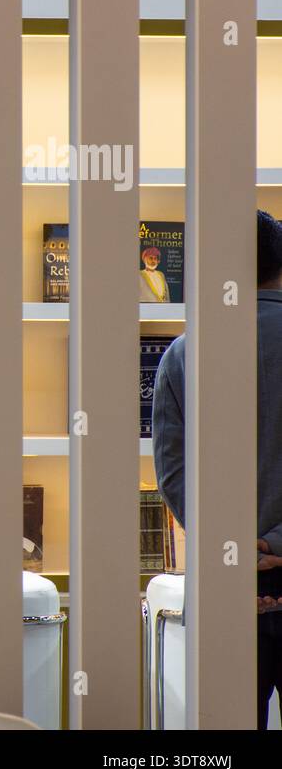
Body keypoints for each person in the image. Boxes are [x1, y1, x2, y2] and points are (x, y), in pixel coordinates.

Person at [152, 209, 282, 729]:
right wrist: (274, 544)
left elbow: (172, 473)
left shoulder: (183, 355)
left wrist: (229, 543)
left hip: (224, 590)